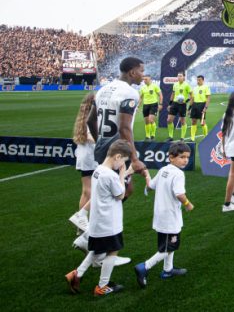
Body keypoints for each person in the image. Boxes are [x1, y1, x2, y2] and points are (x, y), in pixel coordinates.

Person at [65, 140, 133, 296]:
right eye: (122, 161)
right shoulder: (111, 175)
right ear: (117, 156)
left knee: (97, 249)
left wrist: (122, 174)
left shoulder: (98, 170)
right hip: (109, 222)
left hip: (98, 221)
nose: (122, 164)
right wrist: (123, 175)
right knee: (113, 250)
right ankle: (102, 286)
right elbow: (120, 194)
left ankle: (77, 274)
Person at [134, 141, 194, 287]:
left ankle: (168, 270)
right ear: (171, 157)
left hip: (161, 216)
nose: (185, 160)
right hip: (170, 217)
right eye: (182, 157)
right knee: (168, 247)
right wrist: (188, 204)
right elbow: (179, 194)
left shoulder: (163, 170)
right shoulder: (178, 174)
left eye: (187, 157)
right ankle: (144, 267)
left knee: (168, 245)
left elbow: (151, 186)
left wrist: (147, 174)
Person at [88, 56, 148, 200]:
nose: (143, 75)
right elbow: (124, 128)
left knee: (116, 190)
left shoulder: (102, 90)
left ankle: (100, 219)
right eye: (141, 71)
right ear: (132, 72)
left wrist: (100, 141)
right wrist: (134, 159)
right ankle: (104, 221)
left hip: (103, 149)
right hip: (119, 151)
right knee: (121, 192)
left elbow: (90, 120)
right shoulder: (130, 93)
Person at [70, 92, 97, 232]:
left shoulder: (83, 116)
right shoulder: (91, 117)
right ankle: (83, 221)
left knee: (86, 191)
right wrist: (103, 141)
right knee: (90, 191)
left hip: (84, 156)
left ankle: (81, 223)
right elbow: (90, 137)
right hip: (90, 157)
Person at [167, 72, 192, 141]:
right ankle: (170, 136)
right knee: (169, 120)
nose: (179, 77)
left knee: (183, 121)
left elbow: (192, 96)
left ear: (184, 77)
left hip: (182, 105)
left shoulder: (187, 85)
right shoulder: (175, 84)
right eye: (178, 76)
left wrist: (187, 102)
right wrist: (170, 104)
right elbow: (173, 94)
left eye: (180, 76)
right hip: (175, 104)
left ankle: (182, 137)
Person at [138, 75, 162, 141]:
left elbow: (160, 95)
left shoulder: (155, 86)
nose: (144, 81)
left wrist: (160, 104)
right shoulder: (143, 88)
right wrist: (138, 106)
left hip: (153, 104)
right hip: (145, 105)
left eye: (146, 79)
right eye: (144, 79)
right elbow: (140, 97)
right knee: (146, 121)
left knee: (151, 120)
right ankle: (147, 136)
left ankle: (153, 135)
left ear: (150, 79)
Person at [188, 75, 211, 141]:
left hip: (202, 105)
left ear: (203, 80)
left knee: (202, 122)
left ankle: (206, 137)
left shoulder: (206, 87)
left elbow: (208, 98)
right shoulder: (194, 88)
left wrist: (205, 107)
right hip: (195, 105)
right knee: (193, 121)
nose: (198, 81)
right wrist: (189, 109)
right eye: (197, 80)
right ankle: (192, 138)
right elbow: (192, 99)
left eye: (199, 80)